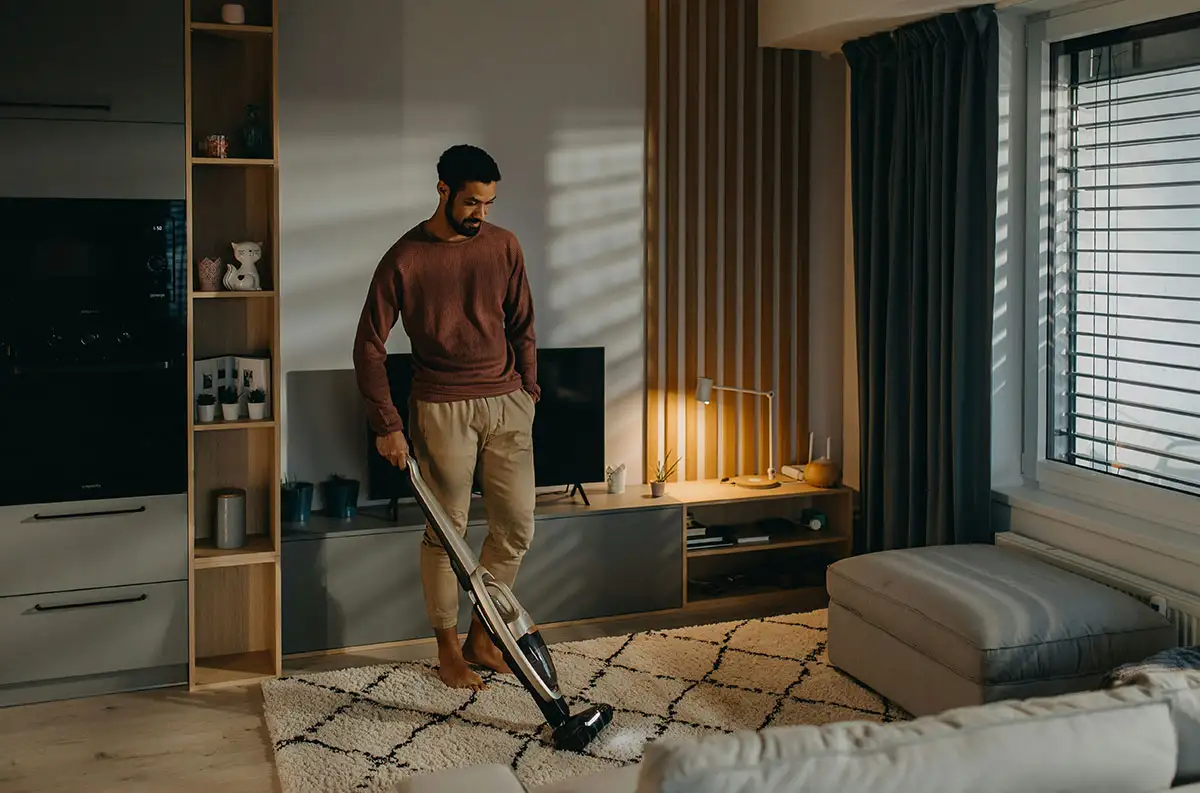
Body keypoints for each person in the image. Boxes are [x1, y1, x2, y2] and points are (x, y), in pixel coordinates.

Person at [352, 144, 539, 690]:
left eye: (489, 202)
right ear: (443, 191)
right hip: (440, 408)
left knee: (517, 526)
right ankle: (447, 652)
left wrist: (529, 389)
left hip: (507, 403)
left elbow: (523, 322)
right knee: (446, 534)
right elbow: (368, 346)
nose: (482, 213)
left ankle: (485, 636)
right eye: (473, 202)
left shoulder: (504, 246)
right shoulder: (405, 257)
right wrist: (386, 424)